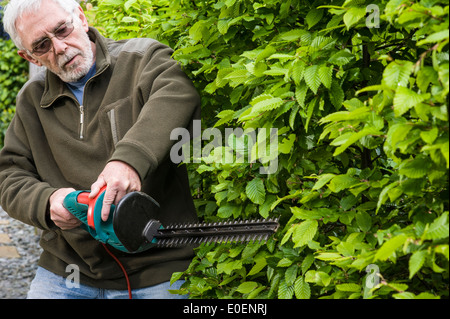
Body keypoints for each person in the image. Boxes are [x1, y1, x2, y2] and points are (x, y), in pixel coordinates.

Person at [0, 0, 200, 299]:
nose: (60, 47)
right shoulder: (31, 100)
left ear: (80, 17)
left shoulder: (142, 58)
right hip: (66, 269)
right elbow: (9, 175)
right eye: (42, 45)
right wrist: (47, 201)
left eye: (62, 29)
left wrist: (128, 162)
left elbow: (178, 93)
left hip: (159, 266)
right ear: (29, 57)